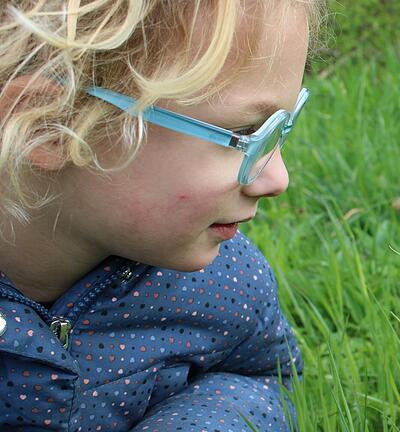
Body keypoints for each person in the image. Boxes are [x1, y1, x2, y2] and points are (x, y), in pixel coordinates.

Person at [0, 0, 324, 430]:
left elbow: (263, 375)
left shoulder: (222, 286)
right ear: (51, 127)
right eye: (244, 135)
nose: (276, 179)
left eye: (281, 129)